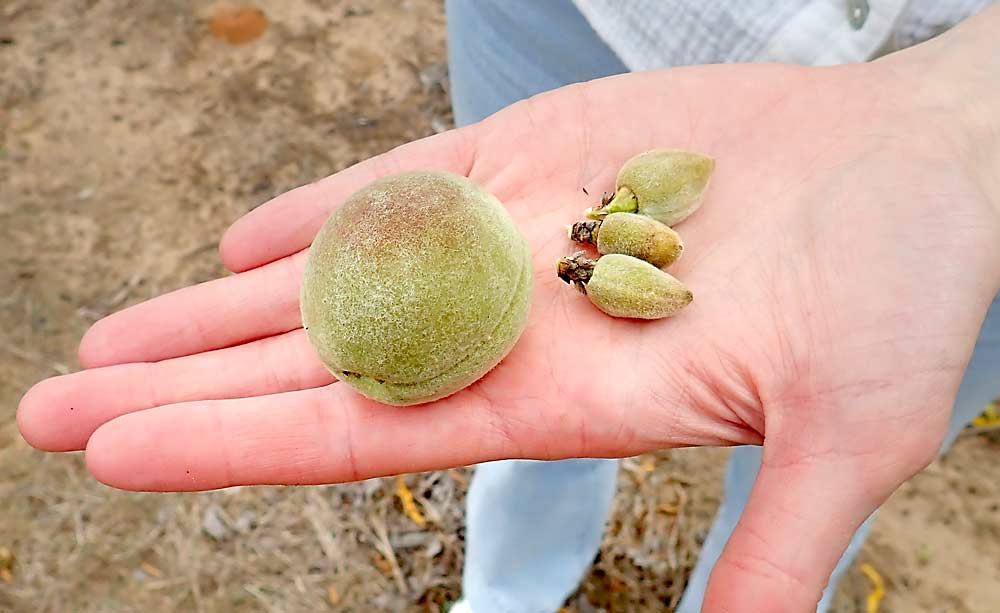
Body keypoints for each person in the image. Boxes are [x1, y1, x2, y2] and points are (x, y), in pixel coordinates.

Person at [16, 1, 1000, 611]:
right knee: (536, 435)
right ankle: (509, 592)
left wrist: (961, 122)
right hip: (563, 19)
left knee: (811, 452)